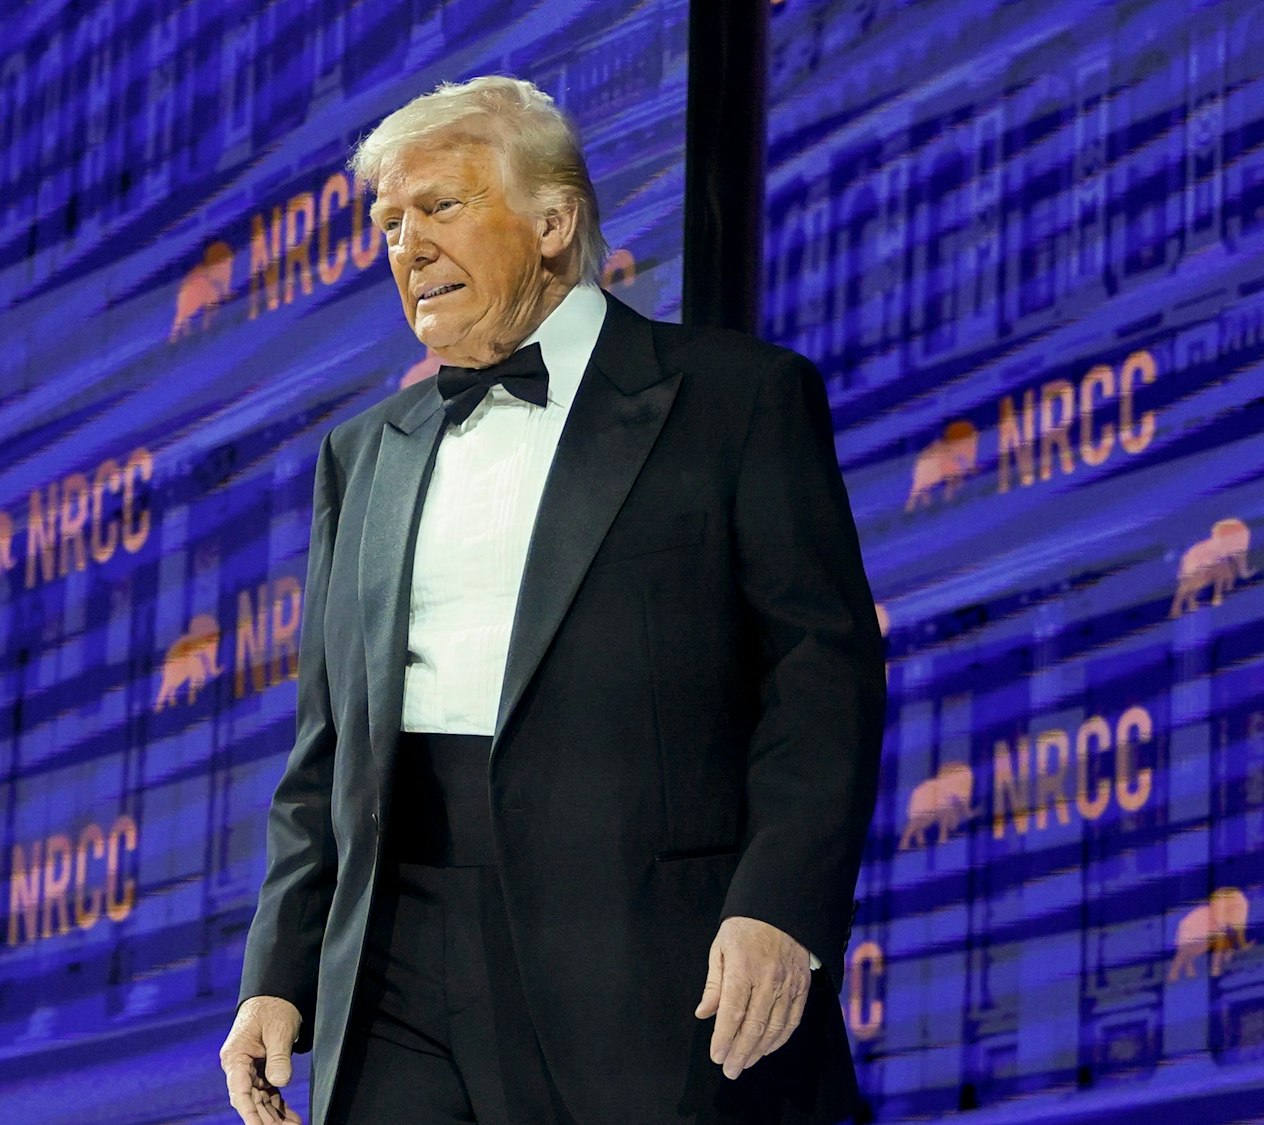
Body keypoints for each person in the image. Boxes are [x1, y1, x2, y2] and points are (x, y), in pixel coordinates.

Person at [217, 76, 885, 1125]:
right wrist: (279, 973)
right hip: (396, 957)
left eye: (439, 207)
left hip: (646, 959)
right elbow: (326, 747)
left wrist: (777, 909)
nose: (406, 245)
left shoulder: (734, 399)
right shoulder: (364, 455)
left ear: (552, 224)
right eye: (388, 223)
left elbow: (819, 683)